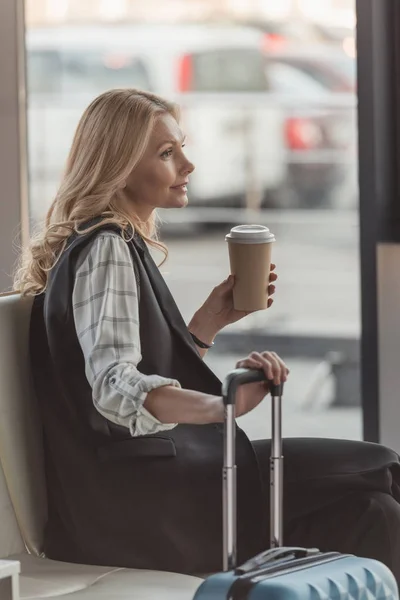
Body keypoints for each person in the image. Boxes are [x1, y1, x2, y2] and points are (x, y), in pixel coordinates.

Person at [15, 89, 400, 581]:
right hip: (143, 500)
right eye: (167, 153)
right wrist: (223, 405)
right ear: (119, 166)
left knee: (374, 510)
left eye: (181, 148)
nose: (189, 165)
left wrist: (205, 326)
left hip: (151, 484)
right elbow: (112, 388)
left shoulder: (111, 243)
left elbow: (124, 374)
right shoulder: (107, 246)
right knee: (380, 465)